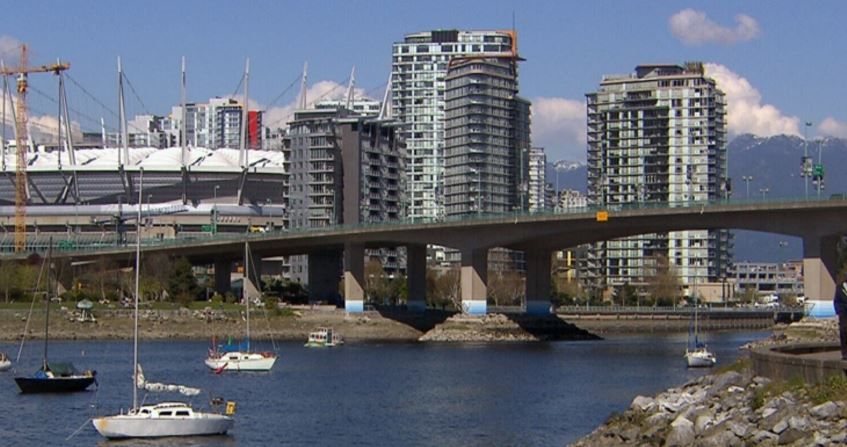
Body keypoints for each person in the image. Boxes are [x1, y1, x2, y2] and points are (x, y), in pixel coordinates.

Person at [834, 276, 847, 360]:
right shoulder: (839, 288)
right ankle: (845, 353)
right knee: (844, 331)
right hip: (843, 314)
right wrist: (839, 312)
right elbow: (836, 301)